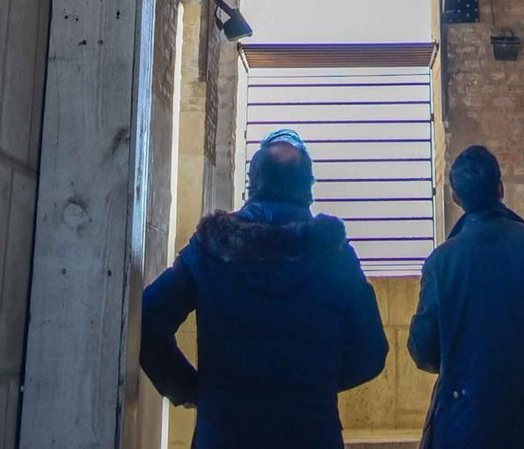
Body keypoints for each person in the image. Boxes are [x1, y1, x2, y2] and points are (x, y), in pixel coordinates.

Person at [139, 126, 389, 449]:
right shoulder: (335, 256)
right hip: (311, 432)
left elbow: (147, 321)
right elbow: (372, 351)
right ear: (308, 188)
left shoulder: (211, 247)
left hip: (224, 434)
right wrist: (317, 385)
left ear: (253, 183)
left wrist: (189, 389)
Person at [408, 143, 524, 449]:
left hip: (466, 427)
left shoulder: (441, 263)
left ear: (456, 198)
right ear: (500, 188)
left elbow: (423, 348)